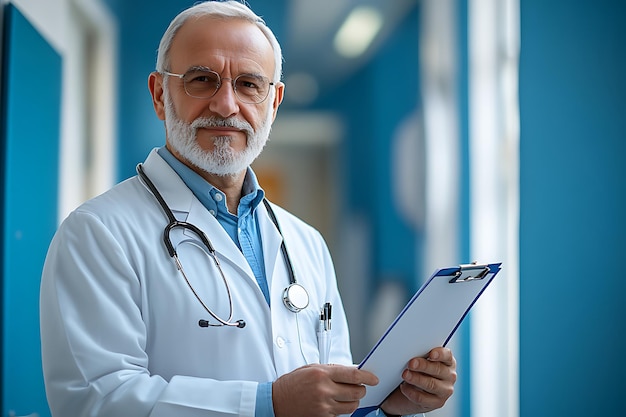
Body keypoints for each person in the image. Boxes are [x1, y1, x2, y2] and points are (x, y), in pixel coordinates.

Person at [39, 1, 457, 416]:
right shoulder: (97, 233)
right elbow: (95, 400)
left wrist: (385, 404)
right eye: (202, 80)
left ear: (273, 103)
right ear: (159, 95)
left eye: (248, 84)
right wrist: (268, 404)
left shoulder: (304, 242)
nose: (225, 105)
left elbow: (330, 398)